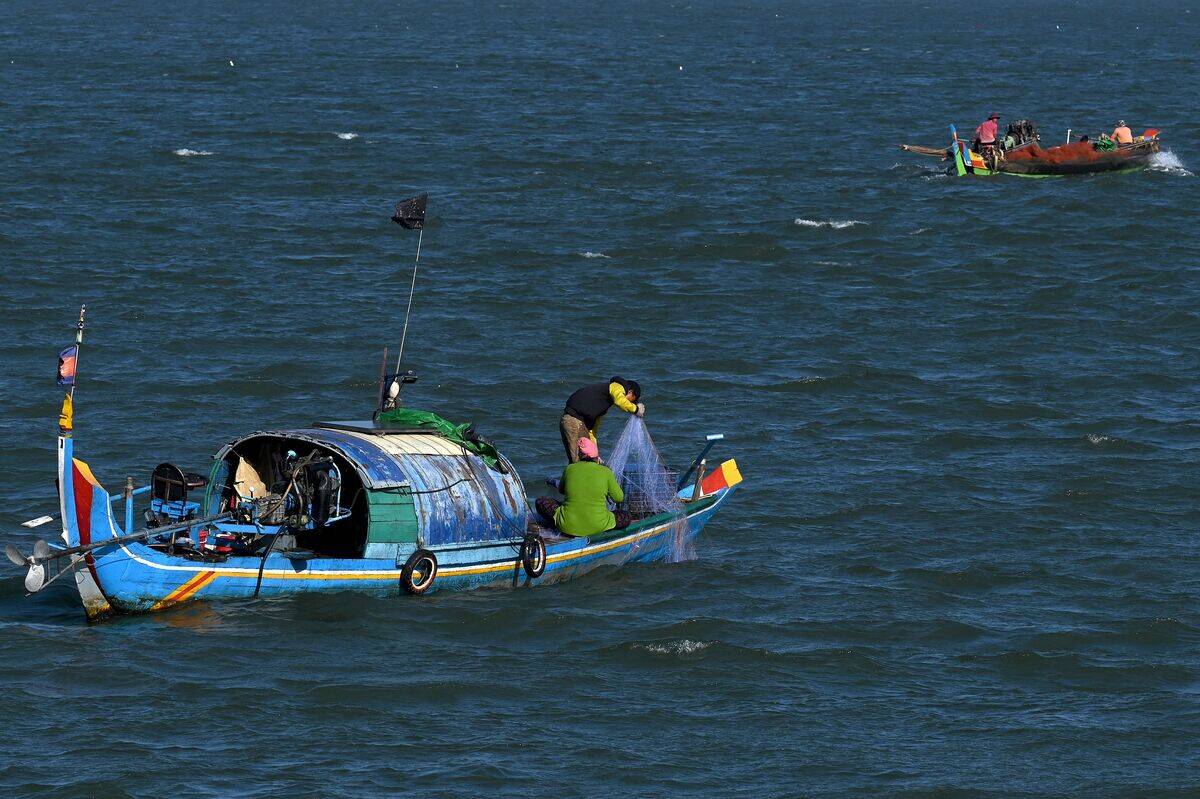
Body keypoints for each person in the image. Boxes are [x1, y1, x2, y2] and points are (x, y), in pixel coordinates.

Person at [535, 438, 631, 536]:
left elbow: (561, 491)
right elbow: (619, 498)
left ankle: (556, 526)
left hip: (567, 525)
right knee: (625, 516)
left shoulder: (570, 468)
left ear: (580, 455)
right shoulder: (606, 472)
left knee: (541, 501)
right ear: (597, 457)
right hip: (598, 525)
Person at [560, 375, 645, 462]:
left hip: (574, 422)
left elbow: (592, 431)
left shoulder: (601, 404)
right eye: (631, 401)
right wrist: (636, 409)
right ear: (630, 392)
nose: (630, 403)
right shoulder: (617, 386)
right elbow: (620, 400)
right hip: (574, 421)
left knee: (583, 460)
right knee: (579, 461)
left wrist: (596, 455)